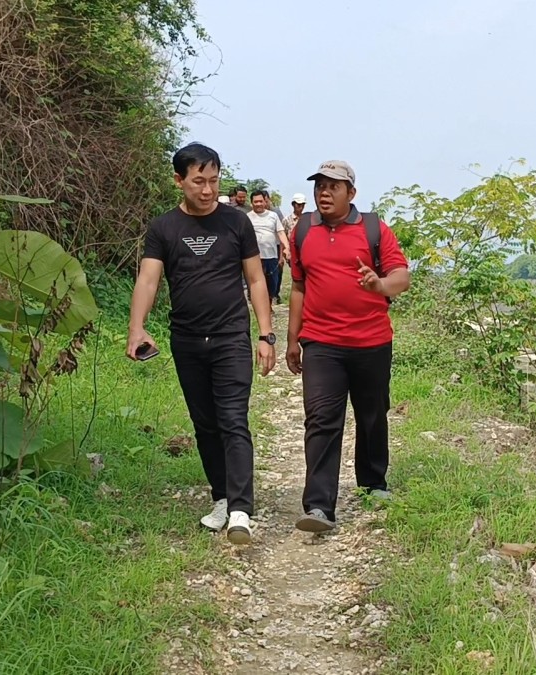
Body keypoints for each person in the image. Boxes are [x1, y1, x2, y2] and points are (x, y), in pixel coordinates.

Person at [126, 142, 276, 546]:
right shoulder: (164, 229)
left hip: (230, 336)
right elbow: (149, 280)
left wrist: (265, 334)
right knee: (205, 424)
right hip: (187, 339)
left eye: (213, 180)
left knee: (232, 419)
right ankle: (222, 498)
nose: (208, 190)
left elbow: (256, 280)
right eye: (199, 181)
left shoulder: (236, 223)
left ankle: (242, 508)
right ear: (179, 180)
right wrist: (136, 327)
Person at [286, 160, 411, 533]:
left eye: (333, 186)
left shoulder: (374, 229)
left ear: (351, 193)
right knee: (322, 419)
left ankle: (373, 483)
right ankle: (319, 506)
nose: (324, 192)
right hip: (321, 342)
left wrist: (379, 286)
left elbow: (402, 276)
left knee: (372, 414)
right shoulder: (303, 230)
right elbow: (297, 287)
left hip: (371, 341)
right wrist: (293, 340)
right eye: (320, 186)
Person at [248, 189, 289, 305]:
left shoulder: (273, 216)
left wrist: (287, 247)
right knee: (257, 283)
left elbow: (281, 232)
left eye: (261, 201)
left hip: (271, 255)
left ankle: (269, 304)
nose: (259, 204)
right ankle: (260, 307)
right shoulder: (247, 217)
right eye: (256, 202)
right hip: (254, 257)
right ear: (251, 203)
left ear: (265, 202)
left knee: (272, 283)